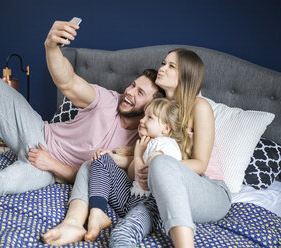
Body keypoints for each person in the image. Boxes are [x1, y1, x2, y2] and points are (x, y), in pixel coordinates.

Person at [0, 20, 164, 196]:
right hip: (38, 132)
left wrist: (52, 164)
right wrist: (51, 46)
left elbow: (97, 179)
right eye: (133, 85)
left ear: (152, 106)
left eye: (140, 93)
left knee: (3, 184)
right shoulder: (107, 99)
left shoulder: (140, 144)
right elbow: (67, 82)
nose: (130, 92)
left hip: (48, 170)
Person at [42, 48, 231, 248]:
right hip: (154, 191)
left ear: (186, 74)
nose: (162, 68)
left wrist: (157, 168)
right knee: (94, 163)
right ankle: (74, 223)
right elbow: (140, 166)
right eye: (163, 63)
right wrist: (120, 159)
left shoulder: (199, 107)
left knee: (160, 163)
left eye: (171, 66)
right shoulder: (155, 111)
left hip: (206, 190)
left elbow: (200, 164)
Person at [86, 98, 183, 247]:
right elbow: (132, 176)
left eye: (149, 117)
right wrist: (119, 157)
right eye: (144, 115)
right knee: (102, 159)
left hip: (152, 206)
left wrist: (138, 155)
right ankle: (98, 211)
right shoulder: (146, 143)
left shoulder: (167, 145)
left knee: (121, 235)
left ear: (166, 129)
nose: (142, 120)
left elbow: (144, 180)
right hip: (131, 198)